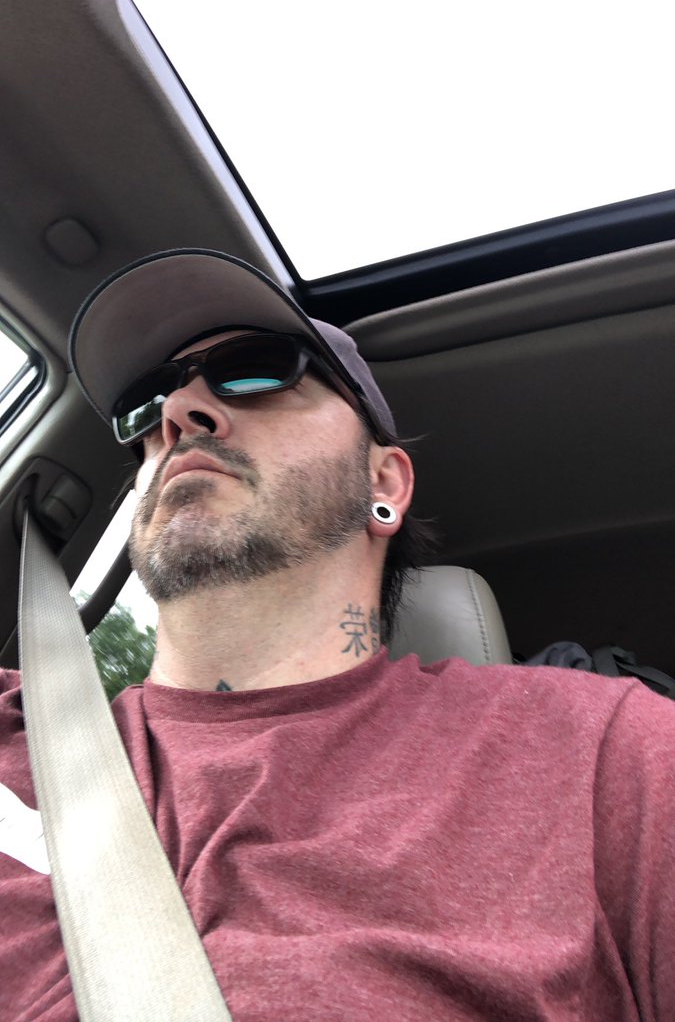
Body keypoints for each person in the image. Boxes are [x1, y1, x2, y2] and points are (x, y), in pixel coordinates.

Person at [1, 247, 675, 1021]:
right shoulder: (16, 732)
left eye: (255, 371)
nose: (178, 412)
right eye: (144, 404)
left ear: (383, 483)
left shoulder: (598, 751)